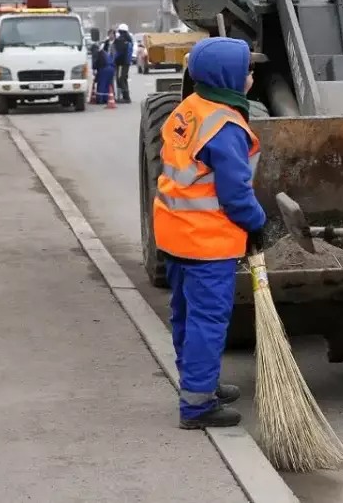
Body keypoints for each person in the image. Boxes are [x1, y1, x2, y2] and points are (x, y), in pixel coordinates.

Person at [153, 36, 266, 429]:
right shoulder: (227, 126)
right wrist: (257, 222)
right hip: (207, 243)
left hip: (175, 235)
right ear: (229, 76)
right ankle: (198, 406)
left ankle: (198, 384)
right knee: (207, 321)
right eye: (247, 70)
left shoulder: (189, 109)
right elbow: (235, 192)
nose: (251, 76)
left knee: (185, 315)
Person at [111, 24, 134, 103]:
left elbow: (118, 53)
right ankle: (126, 96)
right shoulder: (129, 39)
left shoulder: (120, 40)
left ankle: (126, 97)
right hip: (127, 63)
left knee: (120, 79)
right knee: (124, 79)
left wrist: (113, 60)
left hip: (120, 63)